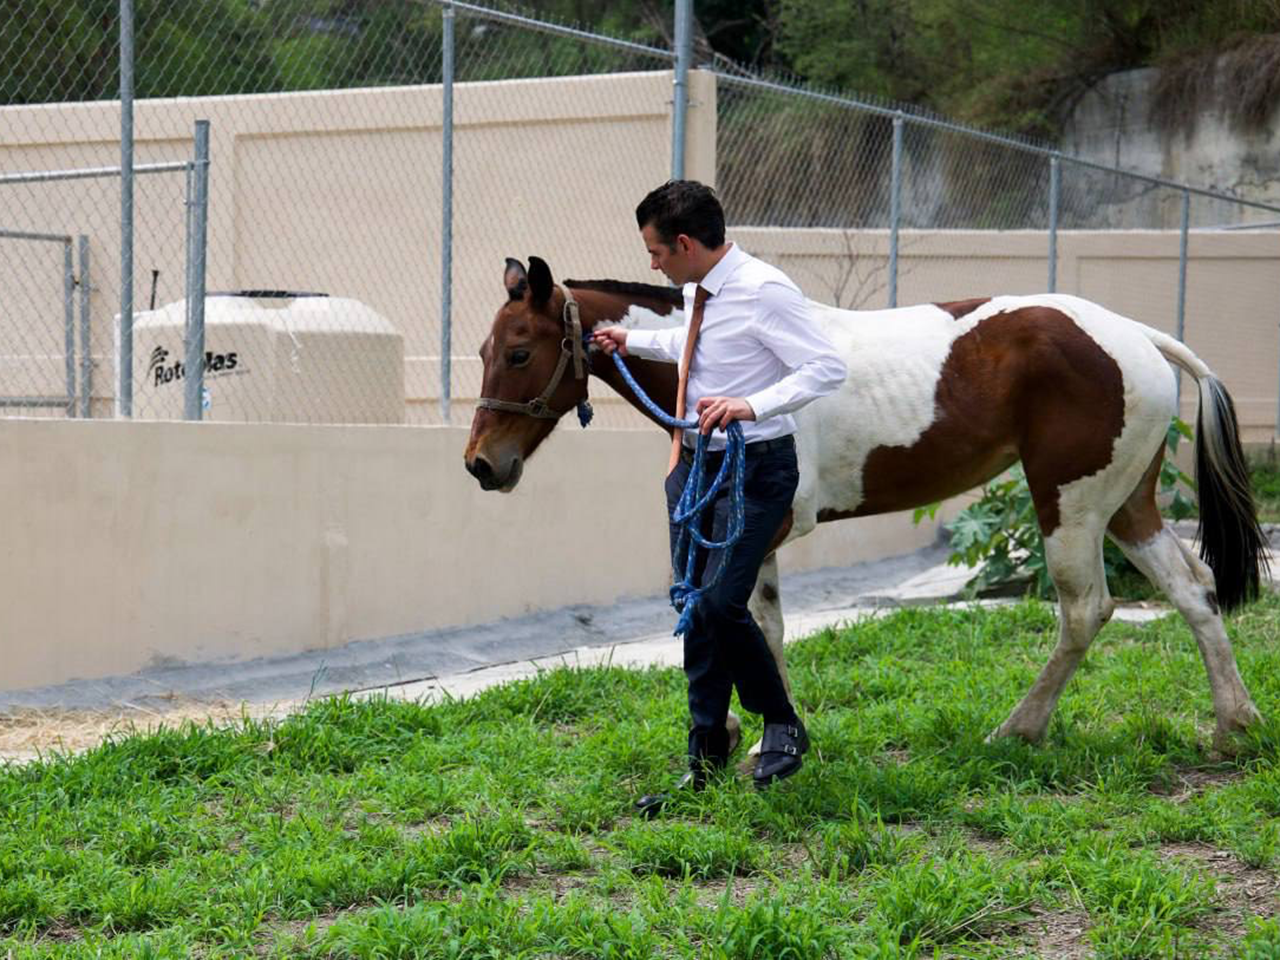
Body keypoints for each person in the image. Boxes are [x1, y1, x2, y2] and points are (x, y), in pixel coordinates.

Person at [591, 180, 847, 809]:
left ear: (683, 243)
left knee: (717, 601)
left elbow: (826, 365)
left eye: (655, 251)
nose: (651, 263)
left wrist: (750, 404)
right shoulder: (699, 291)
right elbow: (700, 344)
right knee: (696, 612)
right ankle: (703, 760)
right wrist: (635, 341)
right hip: (699, 468)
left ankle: (781, 721)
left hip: (756, 468)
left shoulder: (764, 290)